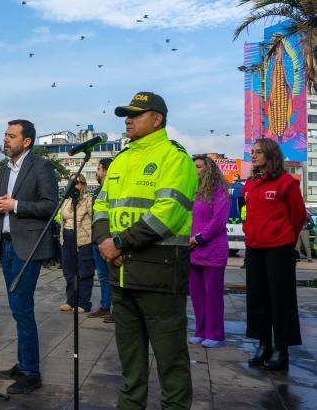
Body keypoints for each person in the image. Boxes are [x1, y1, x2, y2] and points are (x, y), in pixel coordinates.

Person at [93, 92, 197, 409]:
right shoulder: (121, 159)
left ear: (157, 119)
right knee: (130, 364)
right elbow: (100, 206)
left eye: (136, 114)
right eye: (127, 114)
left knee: (171, 362)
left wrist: (118, 243)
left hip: (159, 274)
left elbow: (168, 213)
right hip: (121, 274)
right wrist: (105, 242)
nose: (128, 119)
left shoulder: (175, 158)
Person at [0, 119, 58, 395]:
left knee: (22, 307)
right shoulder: (5, 170)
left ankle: (31, 373)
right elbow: (5, 206)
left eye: (11, 136)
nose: (5, 140)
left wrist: (14, 205)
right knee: (17, 307)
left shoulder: (41, 166)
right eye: (5, 135)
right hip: (7, 245)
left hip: (29, 246)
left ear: (27, 141)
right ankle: (23, 363)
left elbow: (50, 205)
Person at [243, 138, 305, 371]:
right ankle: (263, 344)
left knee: (281, 299)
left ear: (270, 154)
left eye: (258, 152)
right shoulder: (251, 183)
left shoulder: (286, 182)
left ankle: (282, 349)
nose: (253, 155)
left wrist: (285, 237)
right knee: (257, 298)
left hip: (279, 248)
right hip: (254, 247)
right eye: (252, 151)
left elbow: (298, 215)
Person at [189, 155, 230, 349]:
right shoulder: (193, 191)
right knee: (197, 295)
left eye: (198, 167)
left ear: (209, 169)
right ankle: (201, 331)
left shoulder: (220, 190)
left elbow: (218, 221)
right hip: (192, 251)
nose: (195, 170)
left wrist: (198, 238)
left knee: (212, 295)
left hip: (212, 250)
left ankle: (216, 334)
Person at [58, 173, 94, 313]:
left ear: (83, 184)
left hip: (83, 239)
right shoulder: (66, 199)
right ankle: (71, 301)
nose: (74, 185)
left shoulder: (88, 199)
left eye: (77, 182)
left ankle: (84, 303)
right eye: (71, 182)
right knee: (69, 271)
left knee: (84, 271)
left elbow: (94, 218)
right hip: (66, 237)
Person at [87, 157, 114, 322]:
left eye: (98, 169)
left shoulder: (115, 188)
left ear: (105, 170)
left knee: (113, 275)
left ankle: (117, 309)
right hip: (96, 239)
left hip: (110, 241)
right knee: (103, 276)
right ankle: (105, 306)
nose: (96, 172)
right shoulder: (98, 191)